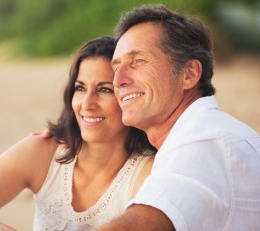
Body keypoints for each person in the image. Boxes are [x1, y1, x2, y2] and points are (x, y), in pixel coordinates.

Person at [0, 36, 156, 230]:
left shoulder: (148, 171)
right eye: (80, 88)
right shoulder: (45, 151)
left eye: (104, 90)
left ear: (129, 97)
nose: (87, 104)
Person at [95, 4, 260, 231]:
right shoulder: (214, 134)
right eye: (116, 68)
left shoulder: (202, 144)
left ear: (189, 74)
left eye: (138, 61)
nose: (118, 80)